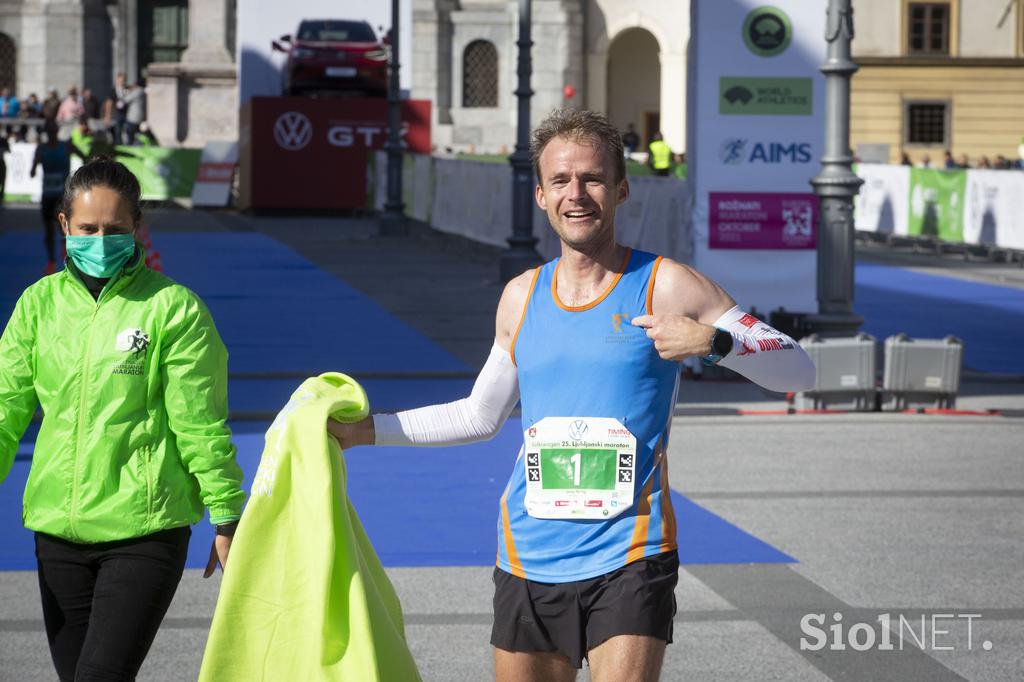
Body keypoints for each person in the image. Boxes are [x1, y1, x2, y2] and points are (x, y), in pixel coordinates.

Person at [327, 109, 815, 681]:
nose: (576, 194)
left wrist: (714, 341)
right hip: (528, 551)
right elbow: (480, 415)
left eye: (593, 179)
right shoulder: (521, 296)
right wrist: (368, 432)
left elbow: (798, 370)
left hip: (632, 551)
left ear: (621, 189)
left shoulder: (668, 285)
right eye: (560, 181)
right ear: (540, 194)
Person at [0, 157, 245, 682]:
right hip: (57, 531)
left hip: (144, 531)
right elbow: (5, 409)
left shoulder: (173, 309)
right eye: (88, 229)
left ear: (138, 228)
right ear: (64, 226)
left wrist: (226, 513)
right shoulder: (37, 306)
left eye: (115, 229)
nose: (101, 239)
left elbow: (199, 421)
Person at [31, 120, 86, 274]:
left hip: (63, 196)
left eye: (53, 130)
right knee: (49, 230)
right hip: (48, 195)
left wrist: (80, 177)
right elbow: (32, 172)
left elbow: (84, 157)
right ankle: (51, 261)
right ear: (46, 132)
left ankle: (67, 260)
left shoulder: (66, 146)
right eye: (49, 131)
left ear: (57, 130)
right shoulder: (41, 148)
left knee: (65, 229)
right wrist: (37, 161)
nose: (52, 133)